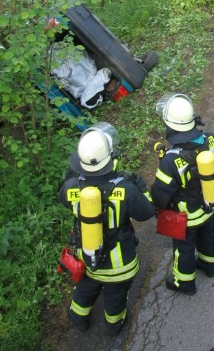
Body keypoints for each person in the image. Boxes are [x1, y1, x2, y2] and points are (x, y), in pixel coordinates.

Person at [58, 123, 155, 336]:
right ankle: (114, 324)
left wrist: (69, 180)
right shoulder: (126, 188)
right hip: (119, 265)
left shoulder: (72, 187)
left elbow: (62, 198)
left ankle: (78, 316)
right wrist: (141, 187)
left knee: (86, 287)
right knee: (116, 295)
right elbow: (147, 212)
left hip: (88, 257)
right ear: (110, 157)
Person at [151, 94, 214, 295]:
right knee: (211, 237)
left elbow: (160, 196)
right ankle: (209, 266)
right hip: (211, 207)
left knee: (184, 249)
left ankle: (184, 283)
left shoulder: (170, 160)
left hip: (186, 218)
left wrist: (158, 209)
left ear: (171, 126)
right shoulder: (211, 140)